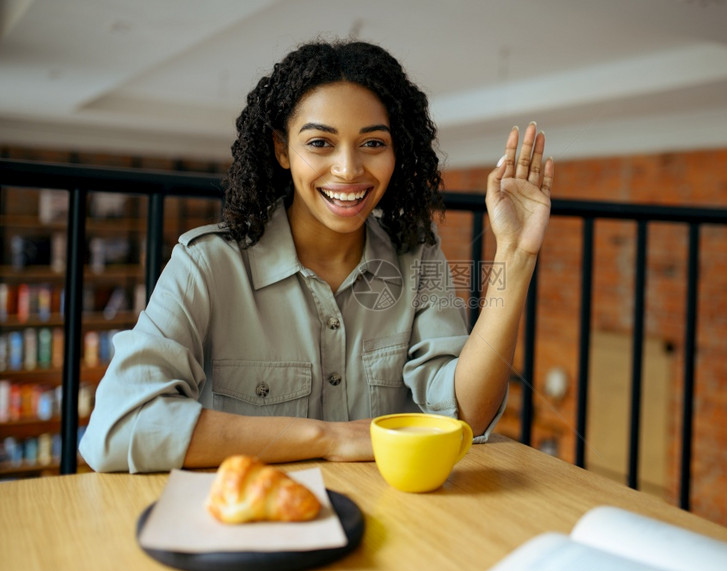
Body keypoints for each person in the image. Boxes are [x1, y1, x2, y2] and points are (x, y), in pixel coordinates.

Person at [78, 39, 552, 473]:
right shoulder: (207, 265)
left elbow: (464, 414)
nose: (349, 169)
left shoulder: (417, 257)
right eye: (320, 143)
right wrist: (326, 438)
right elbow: (118, 428)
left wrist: (515, 254)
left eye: (373, 143)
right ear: (283, 149)